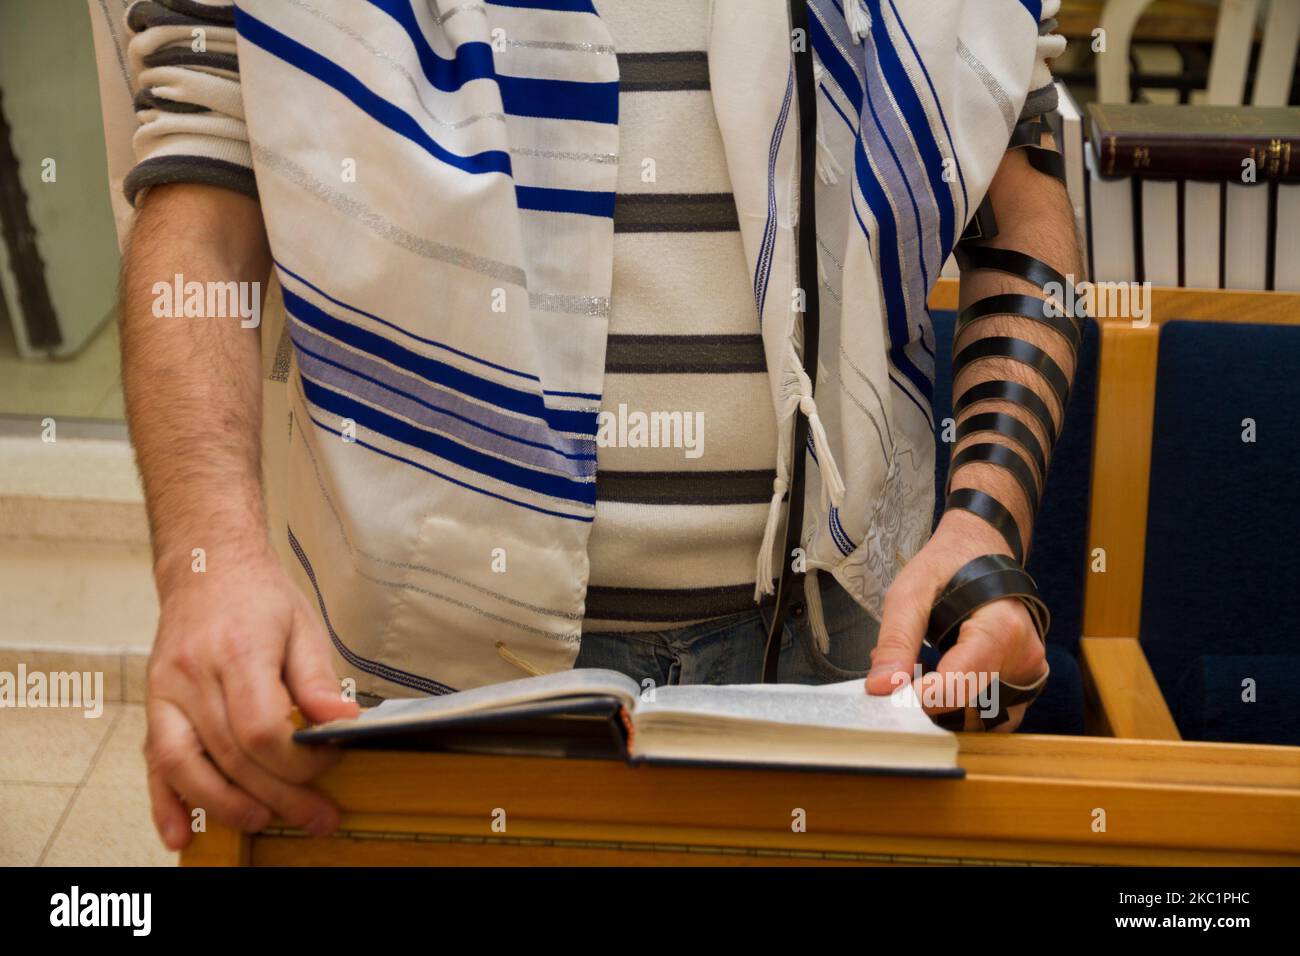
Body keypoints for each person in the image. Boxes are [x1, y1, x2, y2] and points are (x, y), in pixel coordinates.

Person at [92, 0, 1078, 850]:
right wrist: (211, 563)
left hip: (840, 649)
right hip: (420, 655)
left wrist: (983, 528)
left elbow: (1021, 205)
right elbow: (204, 201)